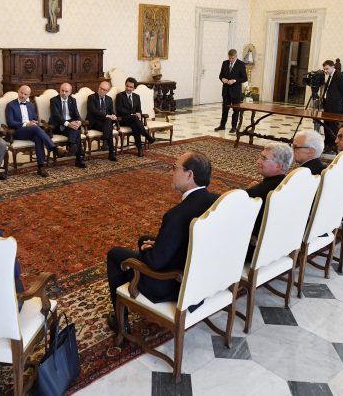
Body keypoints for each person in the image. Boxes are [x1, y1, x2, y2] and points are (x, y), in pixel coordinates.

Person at [105, 151, 218, 332]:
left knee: (115, 254)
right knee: (145, 239)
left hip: (174, 285)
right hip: (202, 275)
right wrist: (158, 244)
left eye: (175, 168)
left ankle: (121, 324)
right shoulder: (216, 201)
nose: (171, 172)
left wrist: (148, 251)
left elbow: (155, 263)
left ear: (189, 175)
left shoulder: (176, 216)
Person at [244, 143, 292, 261]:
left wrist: (250, 191)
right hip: (282, 244)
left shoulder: (257, 193)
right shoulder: (290, 185)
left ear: (278, 166)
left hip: (256, 251)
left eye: (264, 158)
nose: (258, 161)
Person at [6, 85, 66, 177]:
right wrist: (26, 124)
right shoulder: (10, 105)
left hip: (31, 130)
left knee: (38, 137)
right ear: (18, 91)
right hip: (17, 131)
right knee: (35, 128)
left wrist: (33, 122)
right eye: (21, 93)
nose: (22, 95)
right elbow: (10, 122)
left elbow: (34, 118)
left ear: (28, 95)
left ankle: (41, 167)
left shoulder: (31, 105)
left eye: (25, 94)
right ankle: (53, 148)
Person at [115, 77, 156, 157]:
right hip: (123, 119)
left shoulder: (136, 96)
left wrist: (139, 113)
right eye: (127, 86)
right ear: (125, 85)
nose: (128, 88)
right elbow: (120, 110)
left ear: (134, 88)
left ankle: (140, 149)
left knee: (135, 126)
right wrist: (132, 114)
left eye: (131, 87)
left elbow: (139, 110)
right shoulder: (119, 96)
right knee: (134, 119)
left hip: (133, 120)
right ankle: (147, 136)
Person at [49, 82, 86, 168]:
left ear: (70, 92)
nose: (64, 93)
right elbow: (56, 116)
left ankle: (72, 146)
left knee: (76, 129)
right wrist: (68, 124)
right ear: (59, 90)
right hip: (58, 125)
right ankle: (78, 157)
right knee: (77, 132)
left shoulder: (72, 100)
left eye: (66, 91)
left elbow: (76, 114)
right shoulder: (54, 100)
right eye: (62, 90)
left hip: (69, 125)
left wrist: (78, 122)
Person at [215, 49, 247, 133]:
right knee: (225, 109)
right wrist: (223, 79)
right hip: (226, 91)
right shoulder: (225, 63)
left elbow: (244, 78)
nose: (231, 60)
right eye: (229, 58)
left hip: (236, 92)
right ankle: (222, 125)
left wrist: (234, 81)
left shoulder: (241, 64)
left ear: (236, 56)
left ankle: (234, 127)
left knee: (236, 110)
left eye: (232, 58)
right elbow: (220, 75)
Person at [321, 59, 343, 152]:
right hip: (328, 104)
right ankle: (327, 143)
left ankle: (332, 145)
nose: (325, 71)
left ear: (333, 67)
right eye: (324, 69)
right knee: (326, 125)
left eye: (327, 69)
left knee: (332, 126)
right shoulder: (330, 75)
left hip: (335, 106)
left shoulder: (339, 75)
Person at [87, 81, 118, 162]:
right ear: (98, 87)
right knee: (109, 126)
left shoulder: (109, 99)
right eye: (101, 88)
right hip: (94, 122)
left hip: (105, 123)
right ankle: (110, 152)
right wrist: (107, 116)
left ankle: (105, 141)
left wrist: (114, 116)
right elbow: (93, 111)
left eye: (104, 90)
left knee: (108, 124)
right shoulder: (91, 97)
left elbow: (112, 111)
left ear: (107, 91)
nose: (101, 91)